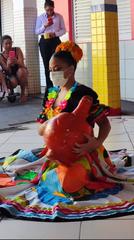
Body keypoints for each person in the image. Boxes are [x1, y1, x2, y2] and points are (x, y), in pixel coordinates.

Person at [0, 41, 134, 221]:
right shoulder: (51, 94)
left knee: (71, 184)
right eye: (50, 69)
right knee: (16, 164)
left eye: (57, 68)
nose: (52, 73)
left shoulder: (84, 94)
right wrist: (50, 128)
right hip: (54, 152)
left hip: (82, 153)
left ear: (70, 69)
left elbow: (105, 125)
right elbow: (41, 128)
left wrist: (95, 143)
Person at [35, 0, 66, 89]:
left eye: (51, 10)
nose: (49, 12)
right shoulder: (40, 17)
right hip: (44, 42)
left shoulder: (59, 17)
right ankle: (49, 87)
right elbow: (36, 31)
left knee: (57, 63)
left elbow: (63, 30)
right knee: (47, 64)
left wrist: (55, 34)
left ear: (53, 8)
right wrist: (45, 26)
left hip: (55, 40)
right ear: (45, 8)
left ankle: (59, 85)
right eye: (48, 10)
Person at [0, 35, 28, 103]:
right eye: (6, 43)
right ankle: (10, 91)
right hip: (10, 75)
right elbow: (6, 71)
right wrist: (8, 65)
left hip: (20, 72)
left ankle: (23, 93)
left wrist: (16, 61)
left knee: (22, 71)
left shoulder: (17, 50)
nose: (8, 45)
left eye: (10, 43)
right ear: (2, 45)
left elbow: (23, 66)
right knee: (13, 83)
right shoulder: (1, 56)